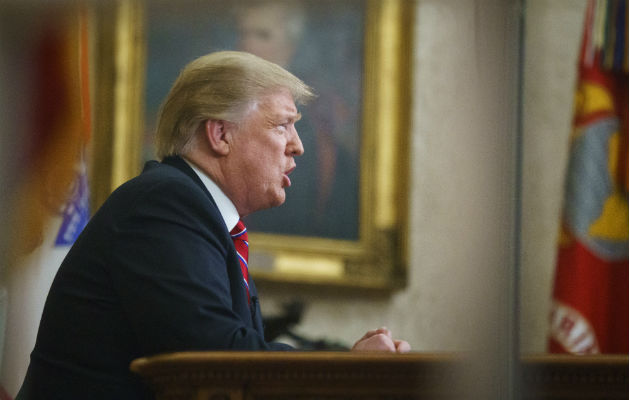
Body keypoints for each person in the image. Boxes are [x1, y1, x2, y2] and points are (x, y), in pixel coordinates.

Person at [16, 51, 409, 400]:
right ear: (220, 134)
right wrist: (347, 369)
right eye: (281, 125)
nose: (297, 145)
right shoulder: (165, 202)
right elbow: (214, 357)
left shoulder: (201, 215)